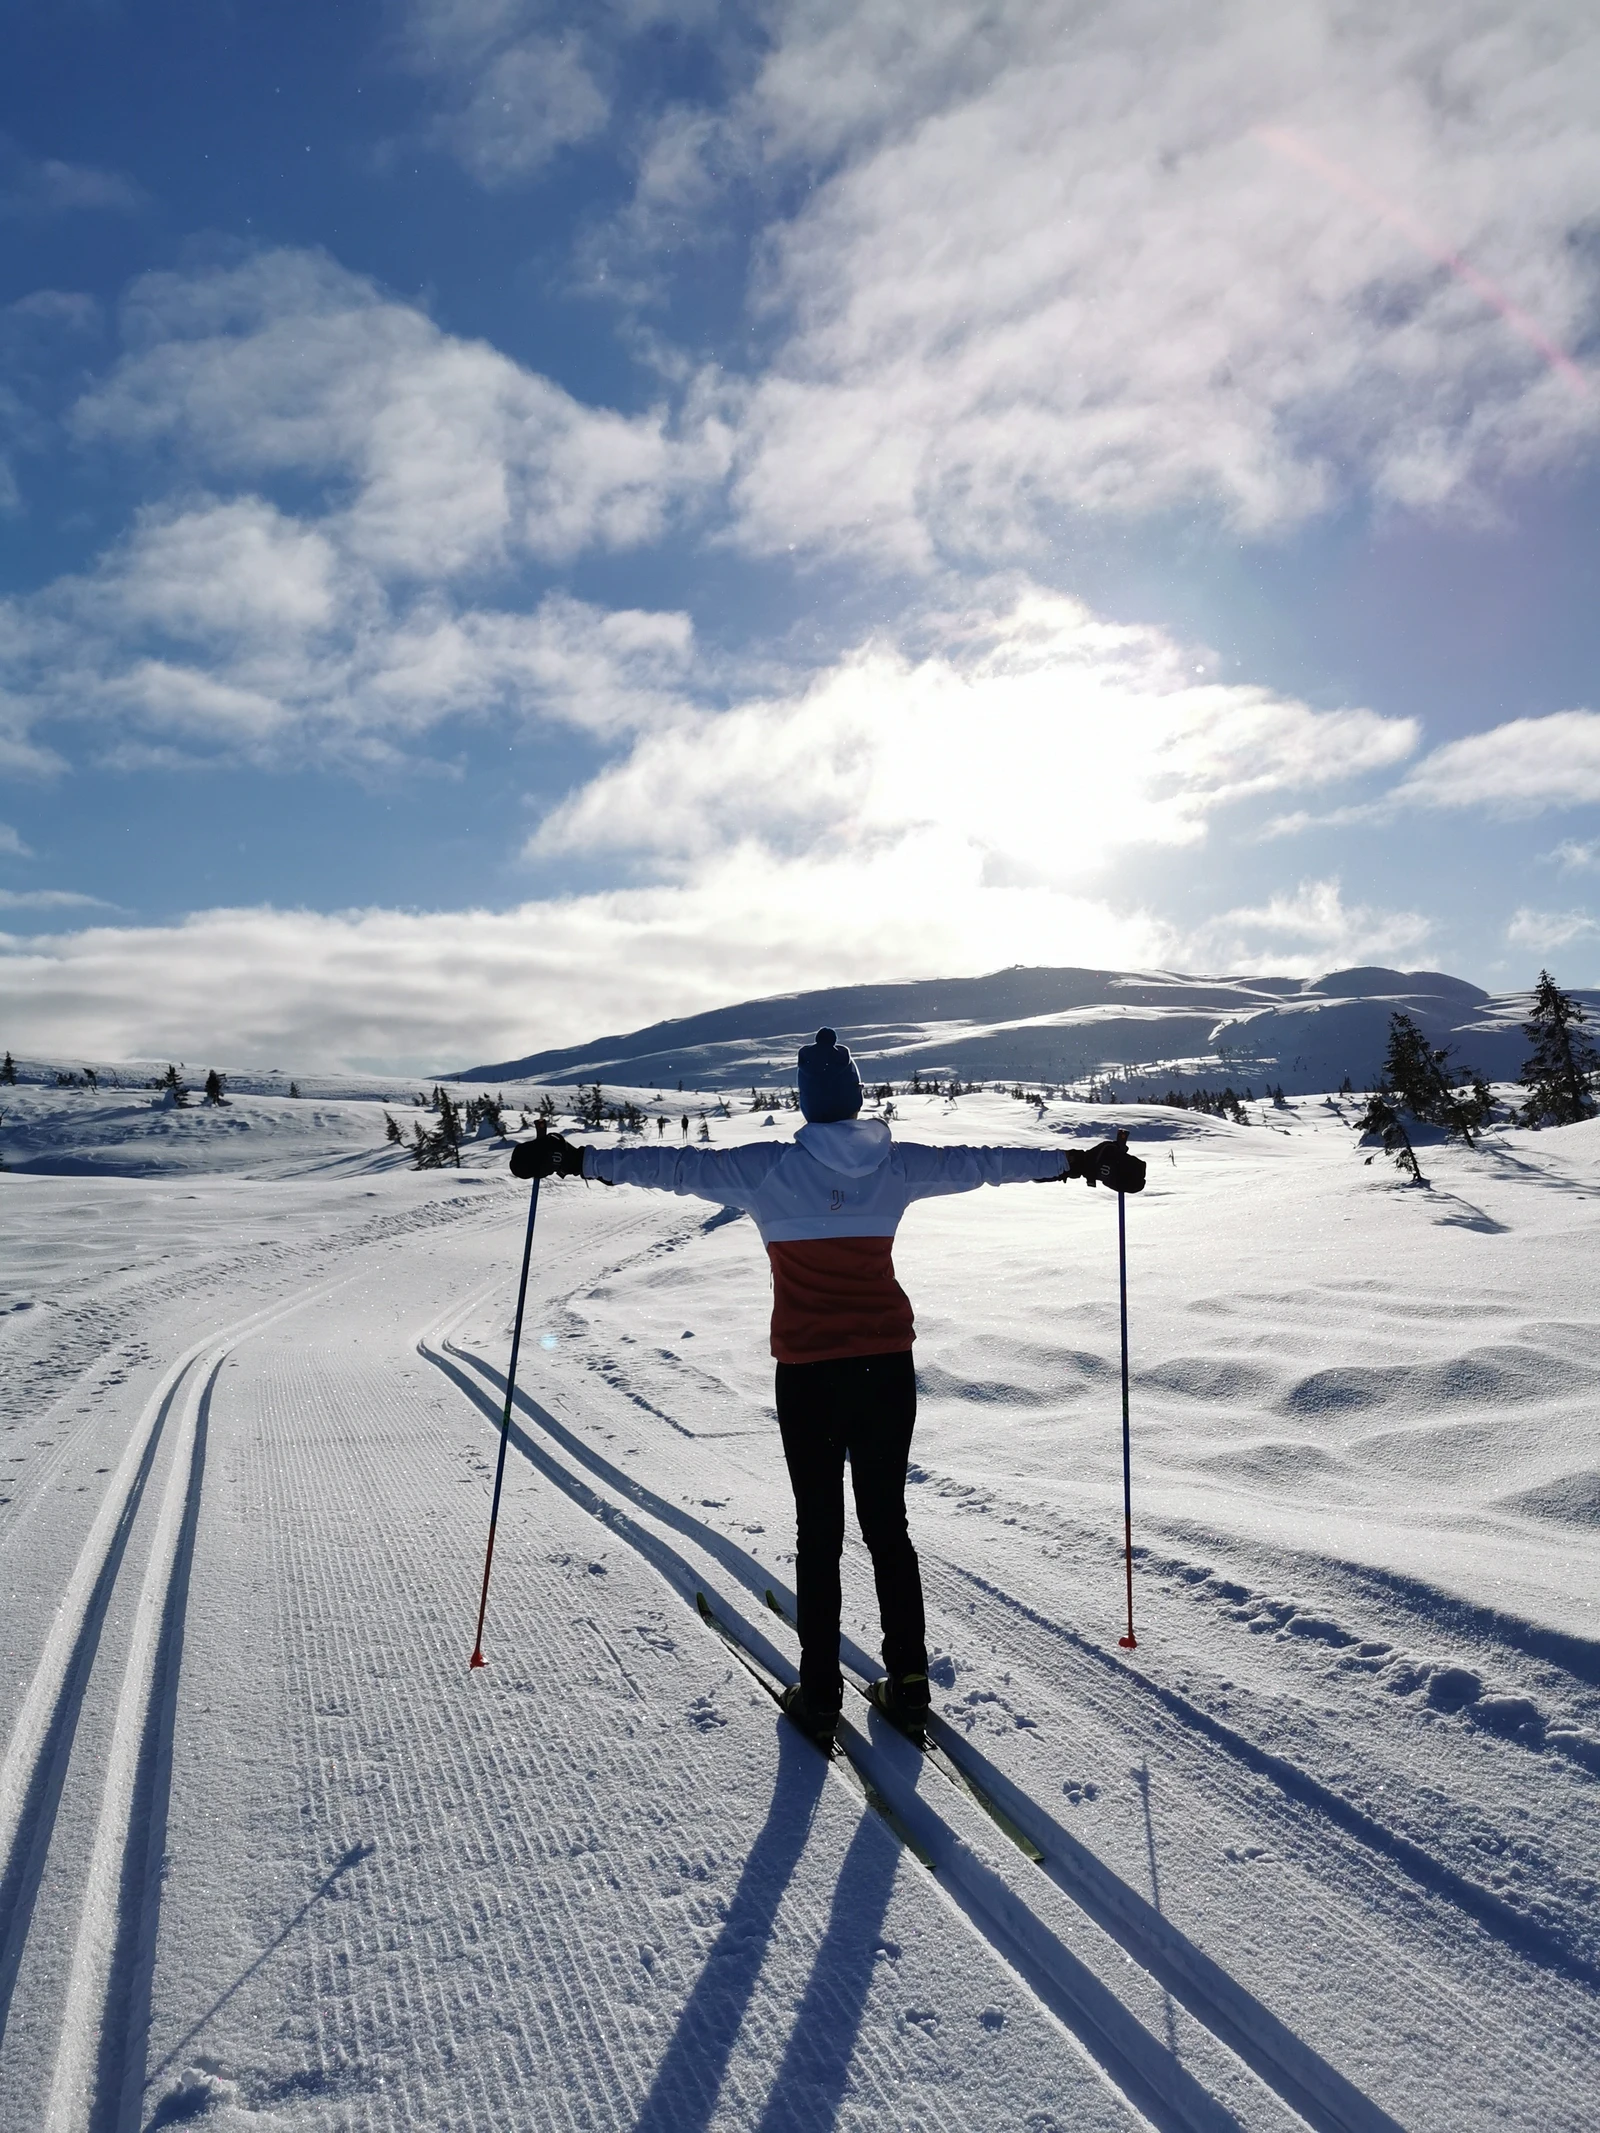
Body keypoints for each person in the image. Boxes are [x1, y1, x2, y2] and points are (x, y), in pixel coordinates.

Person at [512, 1028, 1144, 1748]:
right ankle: (908, 1683)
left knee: (820, 1532)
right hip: (887, 1372)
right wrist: (1080, 1163)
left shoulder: (767, 1170)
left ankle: (819, 1693)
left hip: (809, 1378)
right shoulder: (896, 1164)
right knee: (887, 1527)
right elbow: (986, 1162)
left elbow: (672, 1164)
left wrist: (574, 1159)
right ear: (858, 1096)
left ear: (808, 1103)